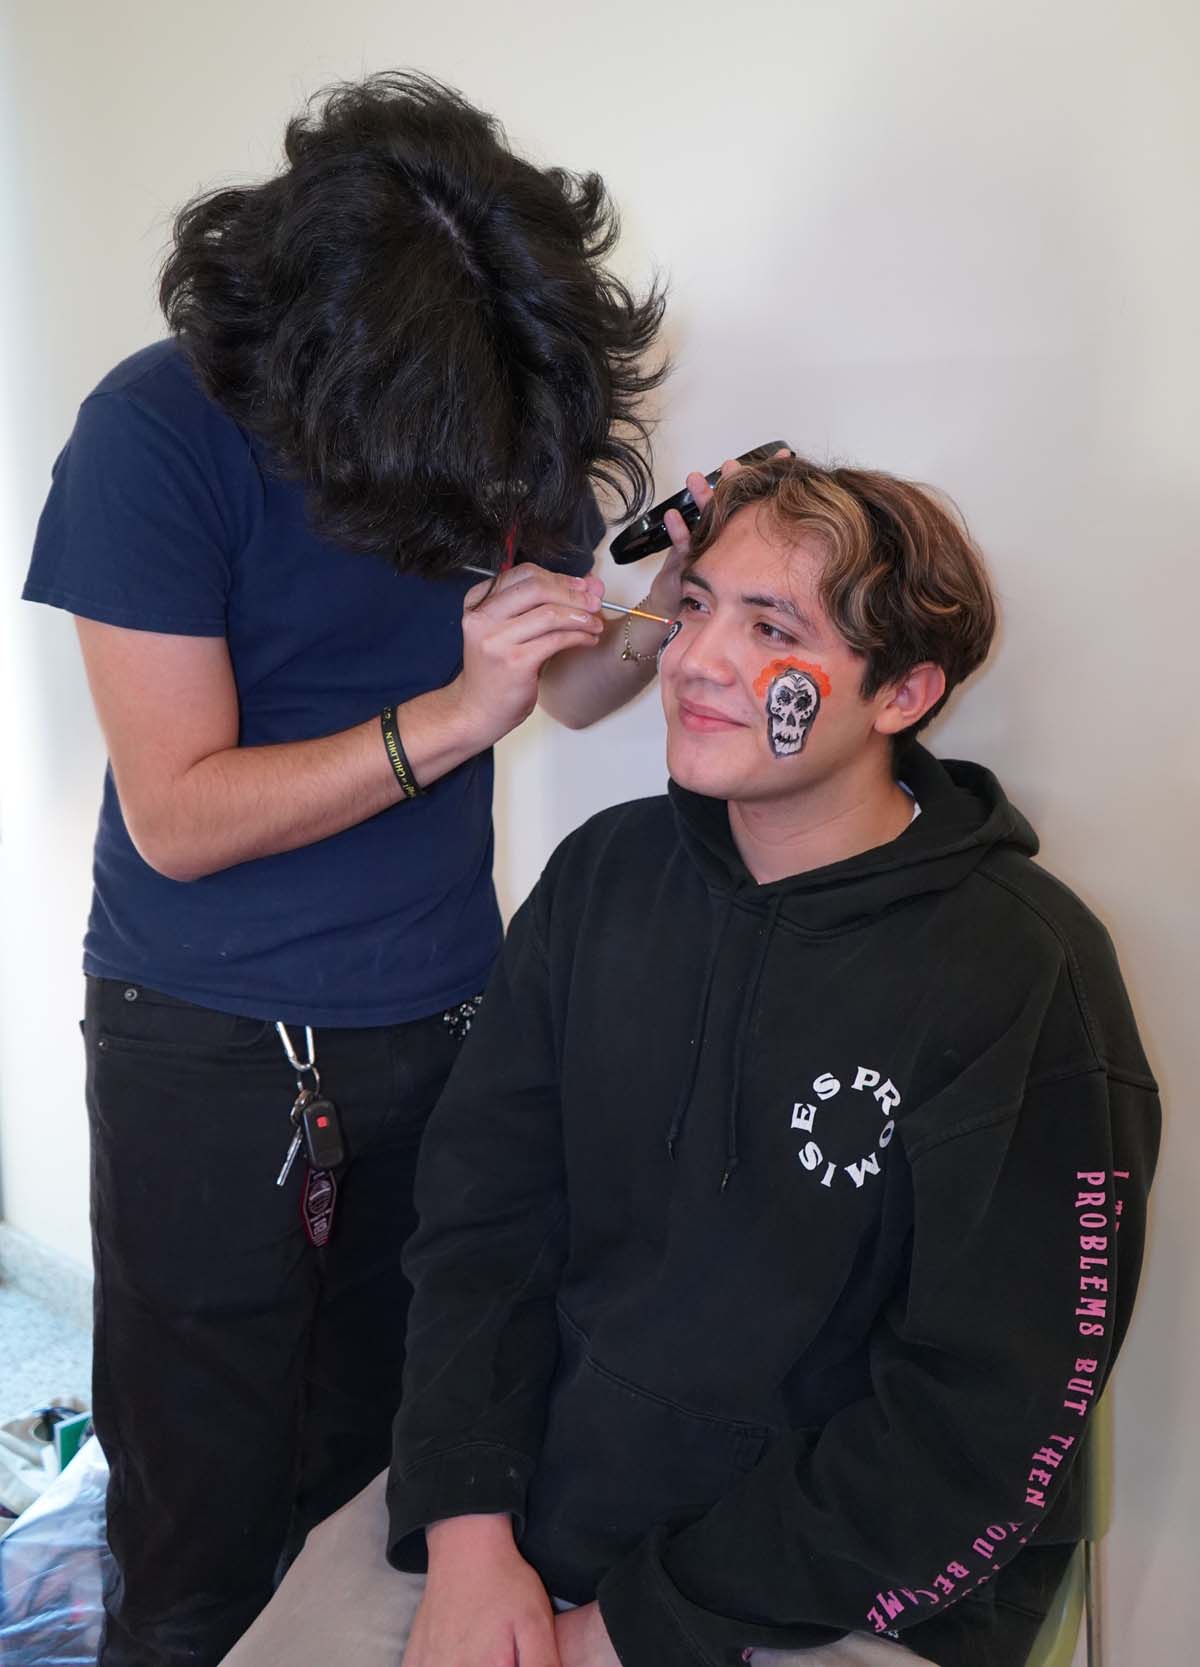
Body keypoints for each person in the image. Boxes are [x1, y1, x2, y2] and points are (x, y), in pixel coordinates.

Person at [219, 453, 1159, 1667]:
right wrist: (467, 1532)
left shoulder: (1025, 973)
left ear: (904, 691)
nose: (693, 659)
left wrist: (624, 1630)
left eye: (771, 626)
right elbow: (479, 1224)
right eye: (697, 603)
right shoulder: (605, 877)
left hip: (842, 1581)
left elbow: (985, 1414)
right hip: (533, 1499)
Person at [21, 71, 678, 1667]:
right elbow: (176, 813)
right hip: (208, 1035)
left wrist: (672, 595)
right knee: (196, 1520)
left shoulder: (502, 389)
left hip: (449, 1014)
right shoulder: (155, 432)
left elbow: (575, 680)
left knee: (383, 1464)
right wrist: (452, 716)